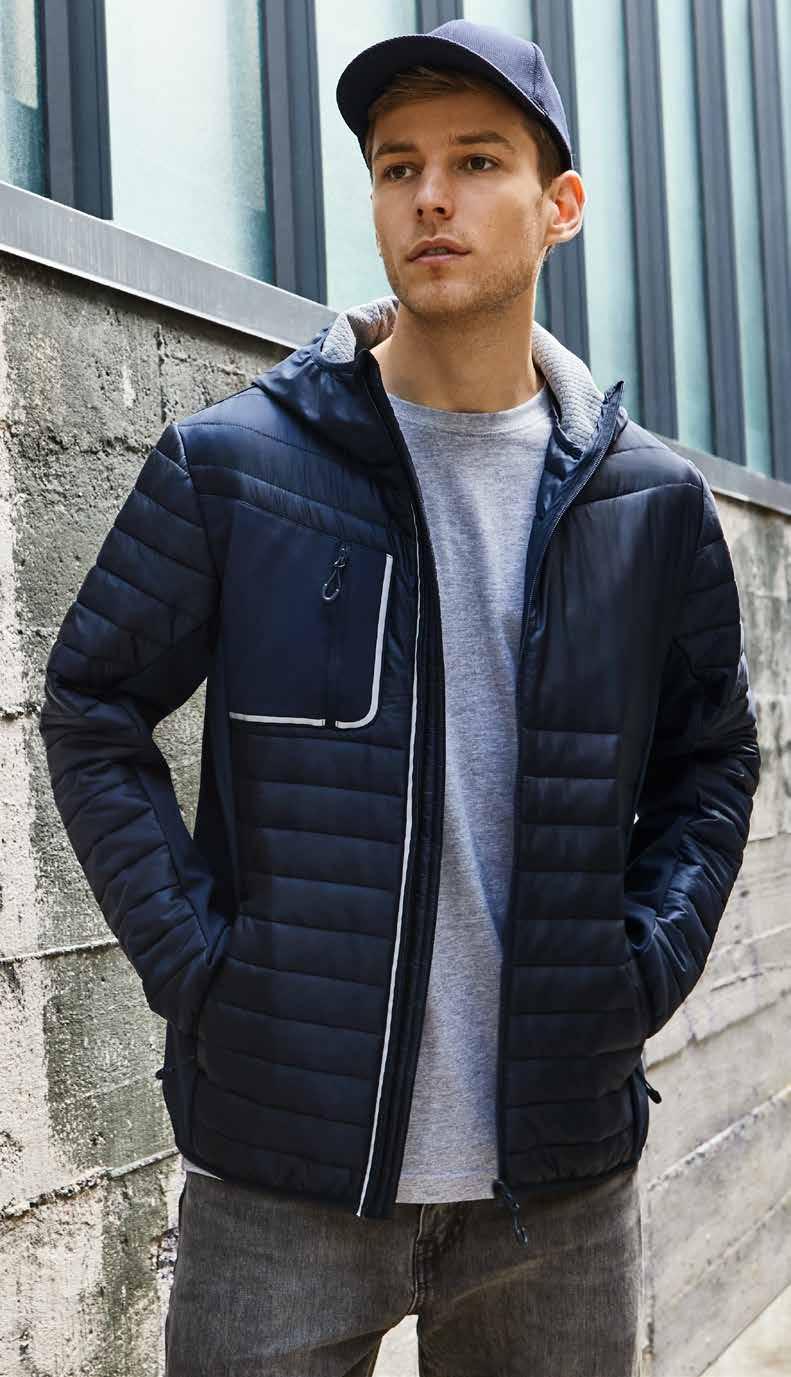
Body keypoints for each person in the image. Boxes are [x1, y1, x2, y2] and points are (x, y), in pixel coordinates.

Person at [38, 19, 760, 1377]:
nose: (430, 197)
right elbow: (92, 705)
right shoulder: (236, 468)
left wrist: (641, 965)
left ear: (561, 206)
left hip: (556, 1187)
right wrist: (200, 971)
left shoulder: (649, 504)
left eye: (477, 161)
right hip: (280, 1177)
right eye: (396, 166)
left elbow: (711, 758)